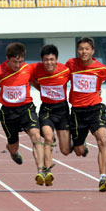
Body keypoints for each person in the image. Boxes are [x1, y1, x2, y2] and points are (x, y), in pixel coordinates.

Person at [66, 37, 106, 192]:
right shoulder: (71, 64)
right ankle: (83, 146)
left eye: (87, 49)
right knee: (78, 151)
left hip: (95, 109)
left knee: (102, 140)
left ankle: (103, 177)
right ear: (77, 51)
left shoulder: (101, 68)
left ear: (92, 51)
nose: (84, 52)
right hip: (77, 112)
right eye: (81, 48)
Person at [0, 42, 46, 186]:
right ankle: (13, 152)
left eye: (20, 61)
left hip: (26, 108)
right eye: (15, 62)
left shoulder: (28, 69)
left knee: (36, 134)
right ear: (7, 58)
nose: (17, 65)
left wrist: (46, 91)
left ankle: (41, 171)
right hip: (8, 112)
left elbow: (36, 83)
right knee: (13, 144)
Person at [31, 44, 73, 186]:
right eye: (46, 60)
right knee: (48, 138)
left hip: (62, 109)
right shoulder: (36, 69)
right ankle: (47, 171)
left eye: (51, 59)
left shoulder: (65, 70)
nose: (49, 62)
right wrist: (40, 88)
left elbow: (80, 79)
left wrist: (97, 91)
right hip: (46, 110)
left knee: (65, 150)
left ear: (56, 60)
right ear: (42, 60)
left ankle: (76, 139)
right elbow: (28, 77)